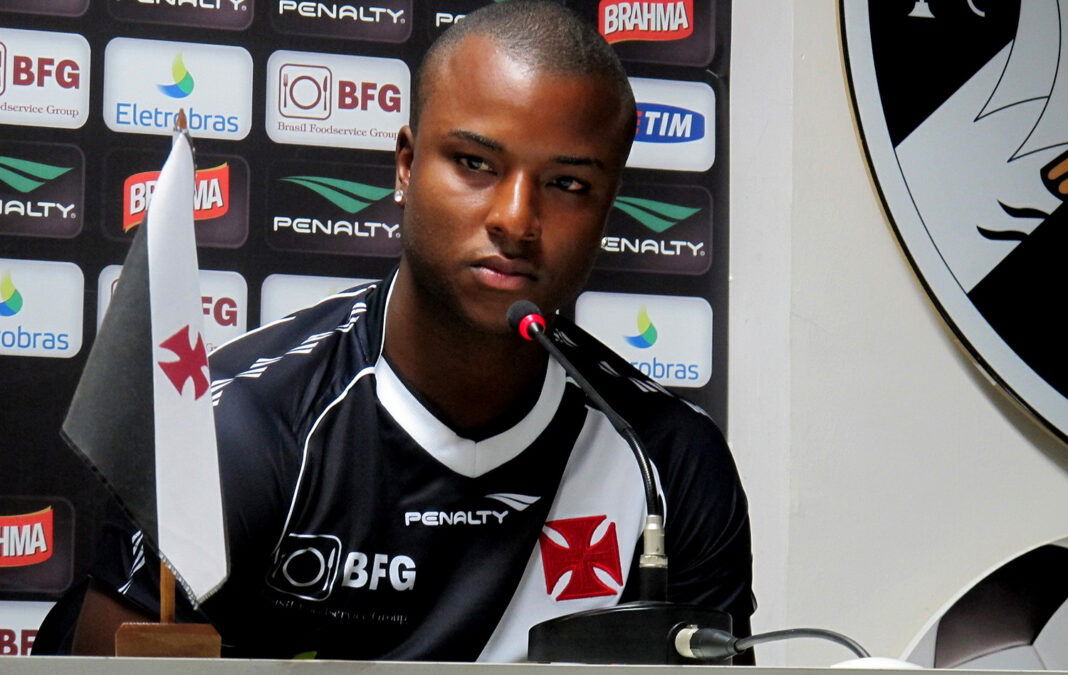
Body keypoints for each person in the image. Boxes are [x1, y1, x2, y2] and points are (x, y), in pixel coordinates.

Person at [68, 0, 754, 661]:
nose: (516, 220)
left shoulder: (666, 463)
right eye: (475, 164)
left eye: (567, 184)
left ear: (608, 207)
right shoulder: (232, 431)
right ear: (405, 164)